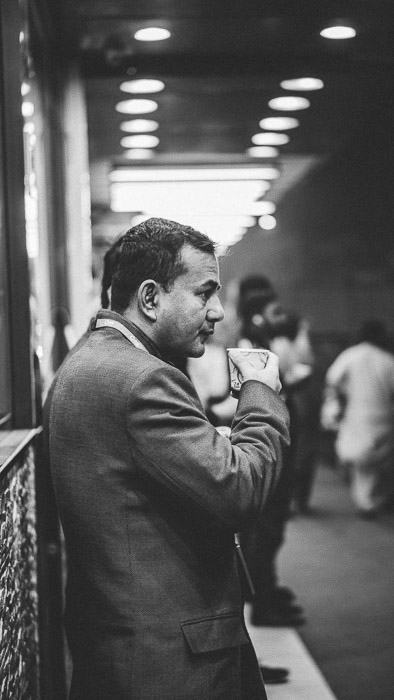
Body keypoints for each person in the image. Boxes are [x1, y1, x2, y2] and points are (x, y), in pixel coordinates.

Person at [44, 218, 290, 699]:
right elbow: (239, 490)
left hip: (122, 640)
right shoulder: (144, 379)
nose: (217, 311)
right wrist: (260, 395)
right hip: (169, 660)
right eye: (204, 293)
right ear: (151, 298)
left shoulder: (88, 360)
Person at [323, 319, 394, 517]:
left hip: (357, 415)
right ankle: (370, 501)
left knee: (361, 461)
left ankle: (366, 502)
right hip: (384, 416)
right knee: (376, 463)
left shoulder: (350, 355)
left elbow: (332, 378)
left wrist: (341, 397)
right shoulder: (387, 359)